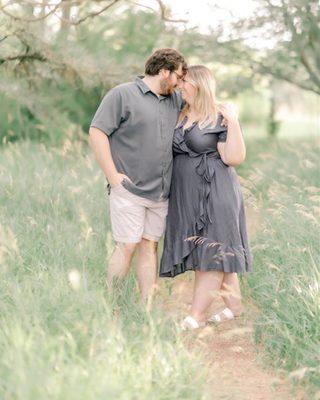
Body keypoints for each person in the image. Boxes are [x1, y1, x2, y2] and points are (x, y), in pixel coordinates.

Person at [88, 48, 187, 301]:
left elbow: (201, 99)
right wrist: (113, 176)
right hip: (129, 189)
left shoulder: (175, 100)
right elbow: (97, 132)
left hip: (161, 192)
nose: (180, 83)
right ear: (164, 71)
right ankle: (110, 305)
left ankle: (147, 309)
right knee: (127, 245)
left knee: (149, 246)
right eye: (178, 76)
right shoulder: (122, 94)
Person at [160, 65, 253, 329]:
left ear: (199, 84)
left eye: (184, 82)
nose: (179, 86)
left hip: (216, 193)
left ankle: (196, 316)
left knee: (211, 253)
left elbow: (233, 158)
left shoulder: (219, 116)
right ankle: (235, 307)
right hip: (187, 196)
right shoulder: (181, 113)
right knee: (213, 249)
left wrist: (233, 122)